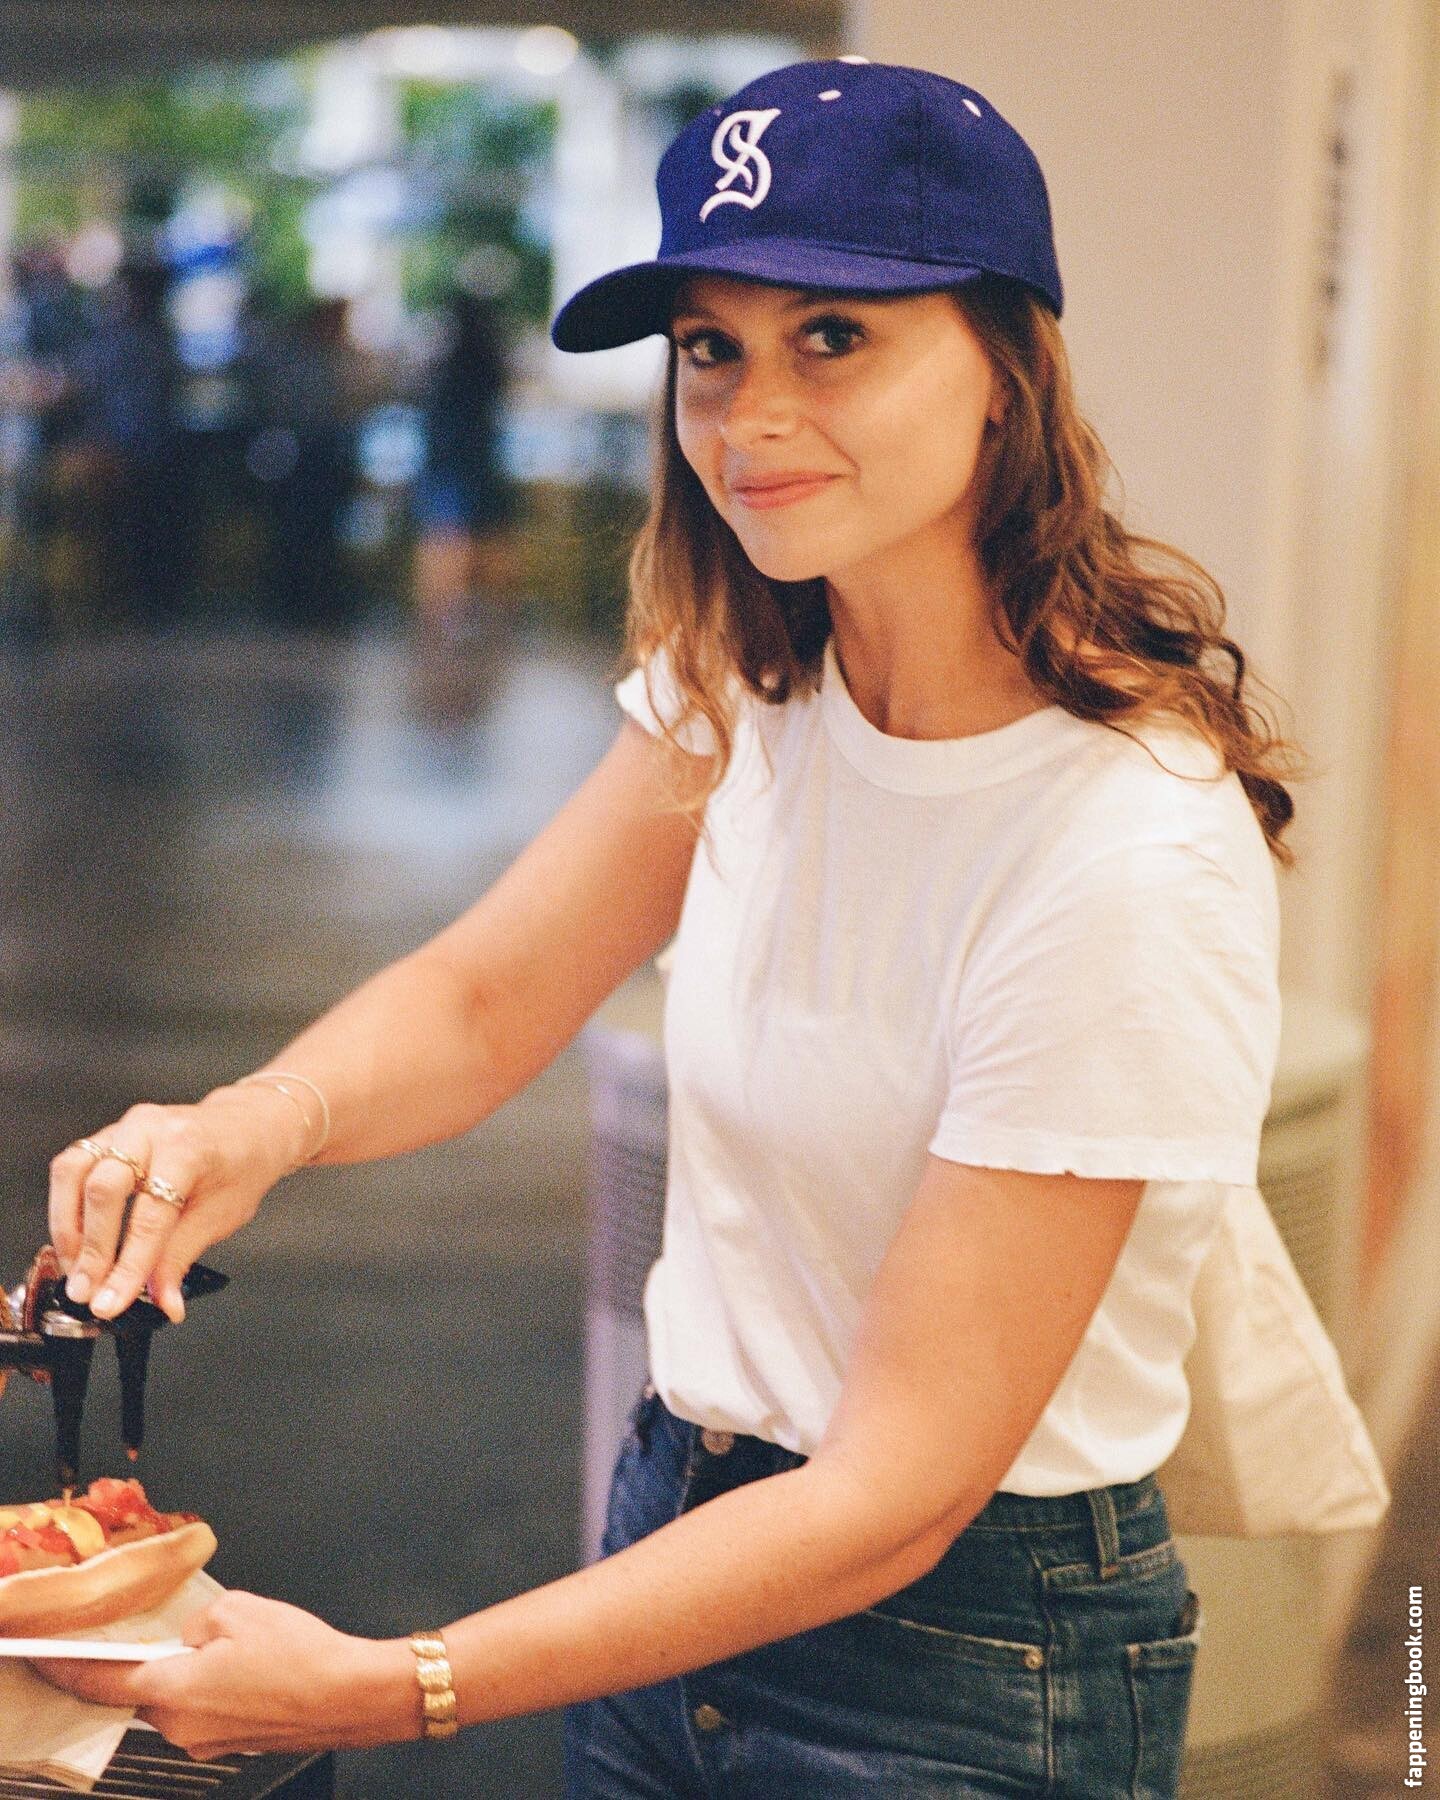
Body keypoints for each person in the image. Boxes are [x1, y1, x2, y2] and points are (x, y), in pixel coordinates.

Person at [38, 58, 1300, 1796]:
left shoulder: (1123, 845)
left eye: (832, 337)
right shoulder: (750, 689)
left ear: (1007, 374)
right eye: (712, 347)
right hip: (673, 1532)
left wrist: (394, 1688)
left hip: (964, 1655)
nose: (750, 413)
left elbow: (900, 1490)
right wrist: (251, 1124)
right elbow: (489, 997)